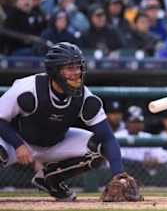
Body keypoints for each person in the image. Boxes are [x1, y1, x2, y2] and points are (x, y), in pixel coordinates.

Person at [0, 42, 131, 201]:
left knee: (98, 149)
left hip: (56, 142)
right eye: (70, 68)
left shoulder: (85, 97)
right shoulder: (27, 89)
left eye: (78, 67)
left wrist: (119, 175)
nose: (76, 73)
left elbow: (108, 137)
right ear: (54, 71)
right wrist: (17, 144)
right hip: (17, 141)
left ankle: (50, 180)